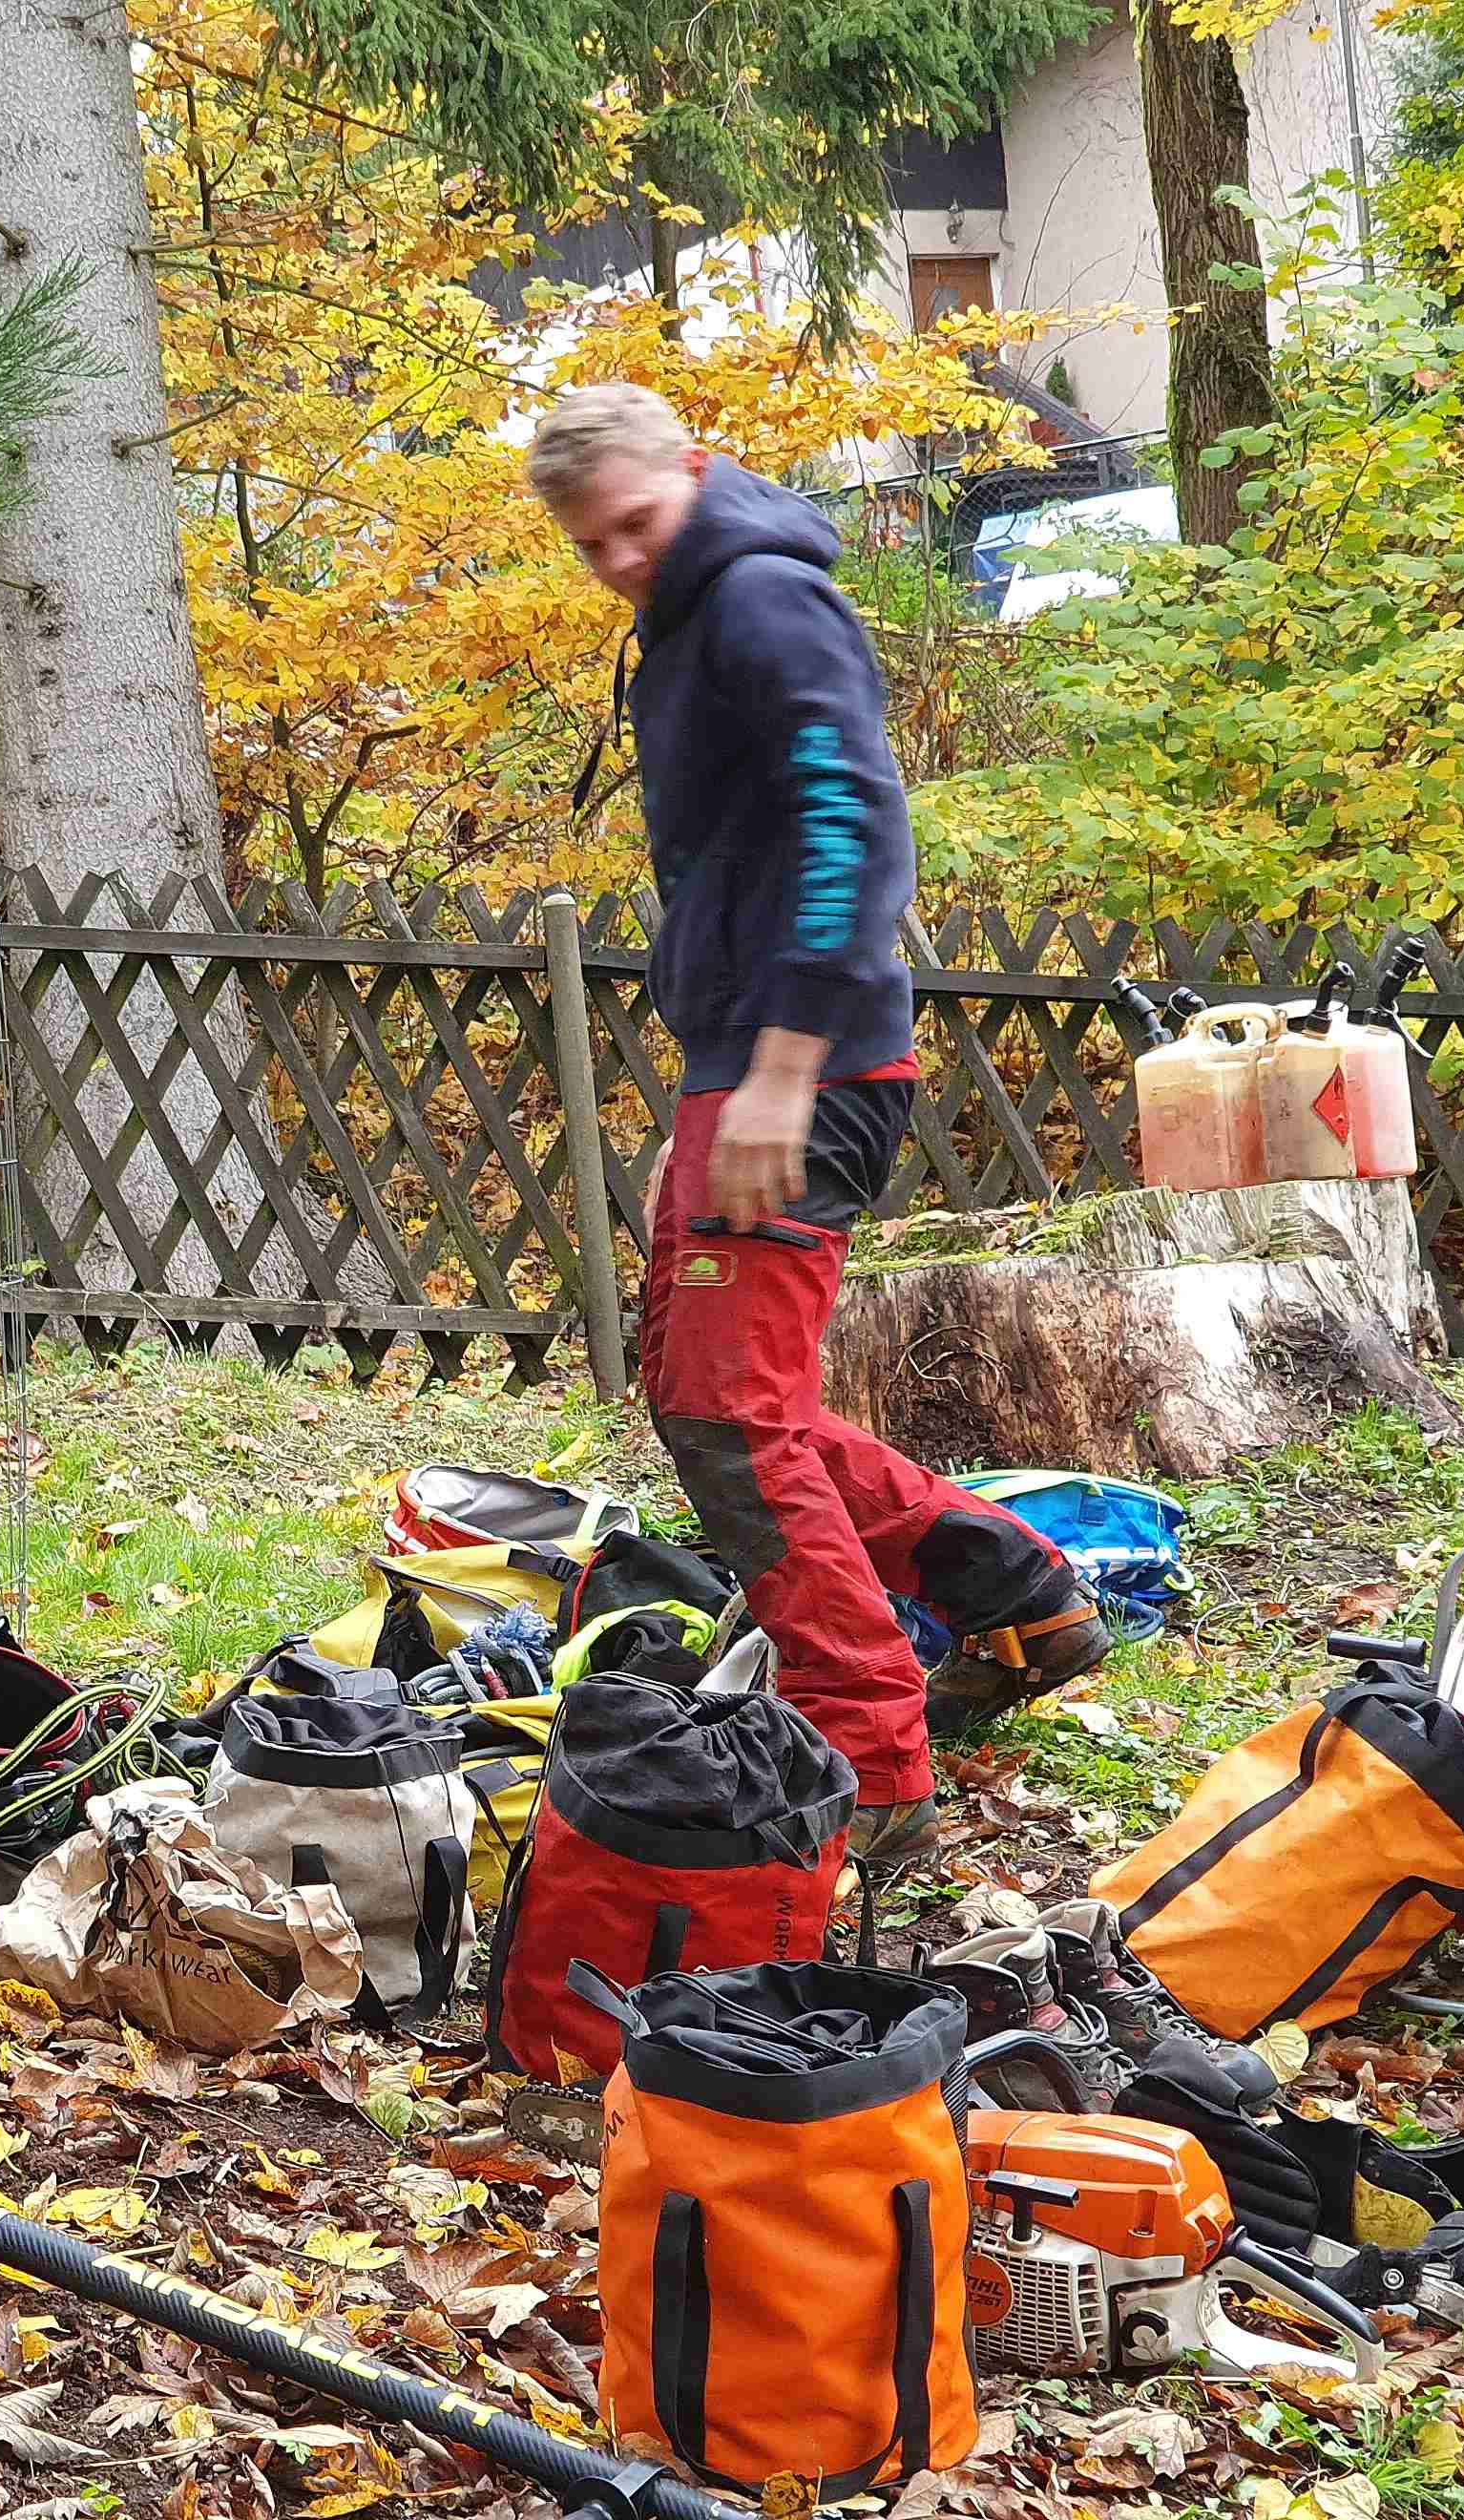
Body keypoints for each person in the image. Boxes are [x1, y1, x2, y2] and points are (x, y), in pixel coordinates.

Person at [526, 384, 1109, 1858]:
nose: (615, 563)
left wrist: (779, 1074)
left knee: (732, 1421)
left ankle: (872, 1765)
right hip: (751, 1057)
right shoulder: (694, 608)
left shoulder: (765, 598)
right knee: (704, 1392)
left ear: (695, 472)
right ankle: (1018, 1597)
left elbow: (856, 822)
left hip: (816, 1064)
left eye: (634, 527)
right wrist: (717, 1084)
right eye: (590, 545)